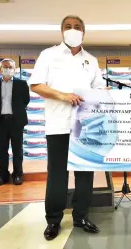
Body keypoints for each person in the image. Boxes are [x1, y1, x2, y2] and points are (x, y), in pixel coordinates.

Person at [28, 15, 107, 241]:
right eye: (68, 27)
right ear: (61, 31)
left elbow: (99, 88)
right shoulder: (49, 55)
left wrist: (104, 92)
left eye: (77, 27)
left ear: (84, 32)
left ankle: (81, 216)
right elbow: (36, 85)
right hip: (58, 125)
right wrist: (63, 96)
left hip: (85, 127)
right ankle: (53, 220)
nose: (73, 30)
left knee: (85, 173)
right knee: (57, 175)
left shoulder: (91, 60)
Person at [0, 59, 30, 186]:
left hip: (16, 121)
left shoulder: (22, 83)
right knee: (2, 150)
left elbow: (26, 100)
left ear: (15, 69)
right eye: (5, 67)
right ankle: (2, 176)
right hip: (1, 121)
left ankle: (17, 175)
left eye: (10, 67)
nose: (7, 69)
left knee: (17, 150)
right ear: (0, 69)